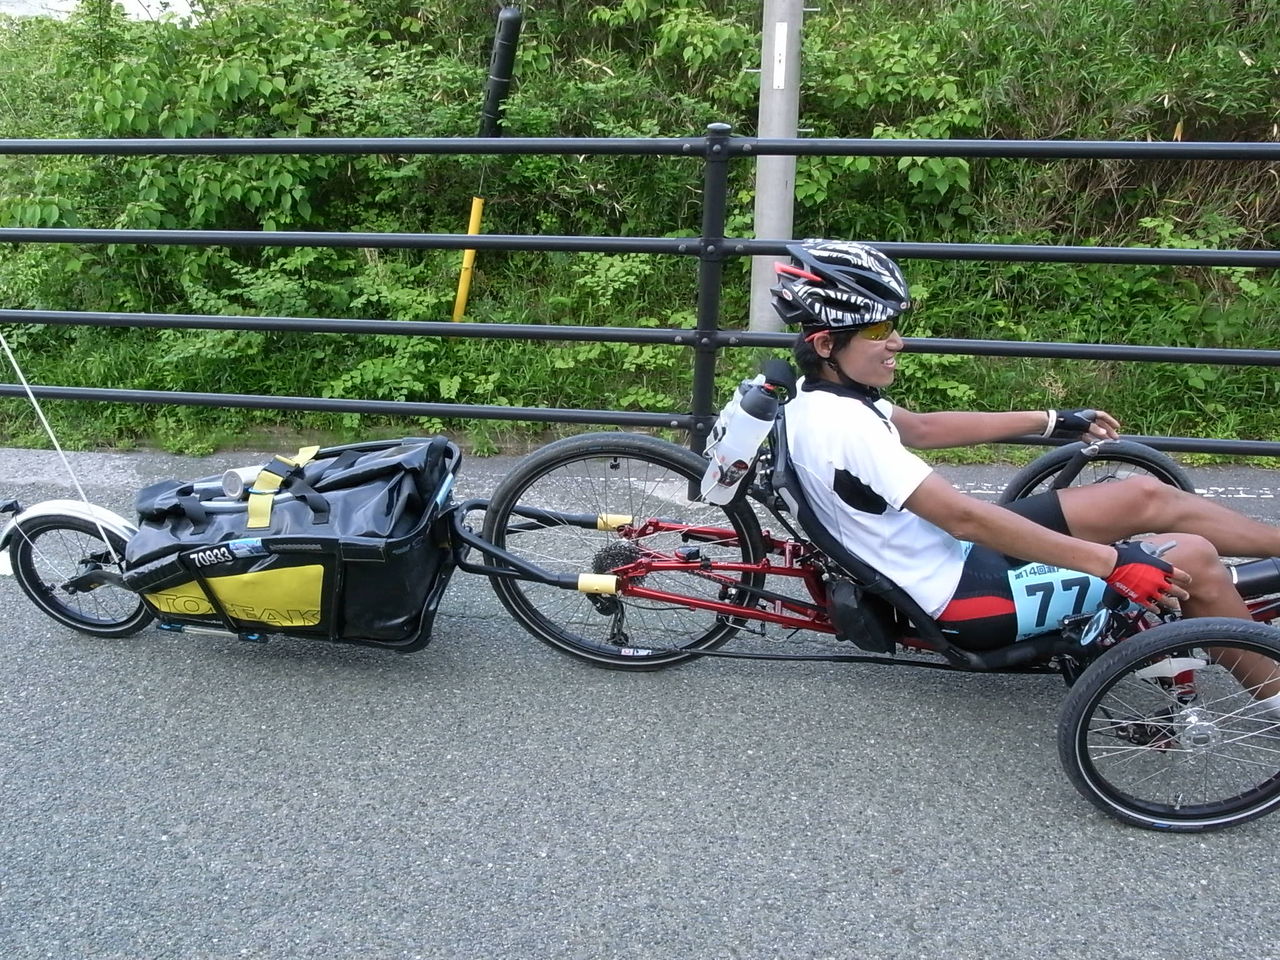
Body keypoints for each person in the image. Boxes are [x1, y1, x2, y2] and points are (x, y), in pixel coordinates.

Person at [770, 238, 1280, 712]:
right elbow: (964, 519)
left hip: (952, 556)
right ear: (824, 344)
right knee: (1194, 559)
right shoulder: (846, 429)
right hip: (965, 597)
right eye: (880, 332)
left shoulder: (822, 397)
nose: (897, 343)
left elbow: (922, 428)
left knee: (1145, 495)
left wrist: (1051, 421)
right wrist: (1111, 563)